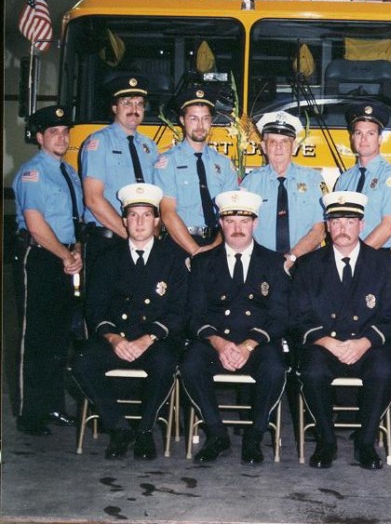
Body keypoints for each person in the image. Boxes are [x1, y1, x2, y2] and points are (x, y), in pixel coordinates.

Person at [72, 183, 188, 460]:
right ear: (123, 220)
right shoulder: (107, 258)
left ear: (157, 220)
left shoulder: (173, 259)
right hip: (118, 339)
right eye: (133, 215)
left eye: (146, 215)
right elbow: (95, 309)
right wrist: (114, 339)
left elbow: (179, 310)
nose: (139, 222)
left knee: (165, 363)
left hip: (154, 341)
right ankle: (119, 428)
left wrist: (147, 339)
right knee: (81, 362)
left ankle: (145, 431)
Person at [293, 191, 391, 470]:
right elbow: (297, 315)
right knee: (312, 370)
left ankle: (366, 443)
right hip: (325, 345)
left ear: (361, 225)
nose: (343, 228)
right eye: (336, 222)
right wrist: (326, 342)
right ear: (328, 226)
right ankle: (326, 442)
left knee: (383, 369)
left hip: (367, 346)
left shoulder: (381, 264)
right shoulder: (308, 265)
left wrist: (365, 342)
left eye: (350, 221)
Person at [180, 190, 290, 465]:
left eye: (244, 221)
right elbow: (193, 315)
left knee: (275, 368)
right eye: (231, 221)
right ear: (221, 223)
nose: (238, 228)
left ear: (255, 223)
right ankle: (217, 434)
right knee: (191, 365)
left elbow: (280, 316)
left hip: (256, 345)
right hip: (215, 343)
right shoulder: (203, 262)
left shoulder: (274, 263)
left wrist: (248, 345)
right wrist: (218, 343)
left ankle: (254, 436)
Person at [13, 105, 84, 435]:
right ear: (39, 137)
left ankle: (53, 406)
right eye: (54, 132)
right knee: (35, 337)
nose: (62, 137)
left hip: (65, 258)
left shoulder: (69, 172)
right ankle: (30, 414)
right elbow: (36, 223)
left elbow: (75, 221)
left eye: (65, 132)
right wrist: (63, 255)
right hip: (40, 258)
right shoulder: (33, 173)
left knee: (58, 337)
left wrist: (77, 251)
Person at [80, 74, 158, 272]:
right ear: (114, 108)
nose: (134, 110)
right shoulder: (98, 143)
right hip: (109, 240)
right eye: (127, 103)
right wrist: (129, 235)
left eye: (139, 104)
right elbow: (93, 199)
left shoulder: (149, 146)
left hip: (142, 241)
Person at [154, 85, 238, 256]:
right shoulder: (167, 162)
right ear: (182, 120)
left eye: (205, 119)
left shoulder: (224, 164)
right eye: (193, 118)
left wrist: (215, 247)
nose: (200, 125)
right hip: (180, 244)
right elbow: (168, 213)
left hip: (218, 243)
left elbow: (230, 213)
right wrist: (196, 251)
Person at [240, 111, 327, 272]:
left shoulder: (313, 180)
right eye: (272, 142)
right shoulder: (251, 182)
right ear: (264, 147)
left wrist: (292, 257)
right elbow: (242, 229)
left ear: (294, 147)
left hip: (304, 264)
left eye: (285, 142)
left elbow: (319, 230)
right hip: (263, 267)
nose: (279, 147)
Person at [335, 101, 391, 258]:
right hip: (345, 256)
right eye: (359, 133)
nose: (364, 139)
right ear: (352, 138)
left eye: (370, 134)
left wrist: (356, 258)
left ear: (380, 139)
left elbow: (388, 227)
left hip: (375, 256)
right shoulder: (344, 179)